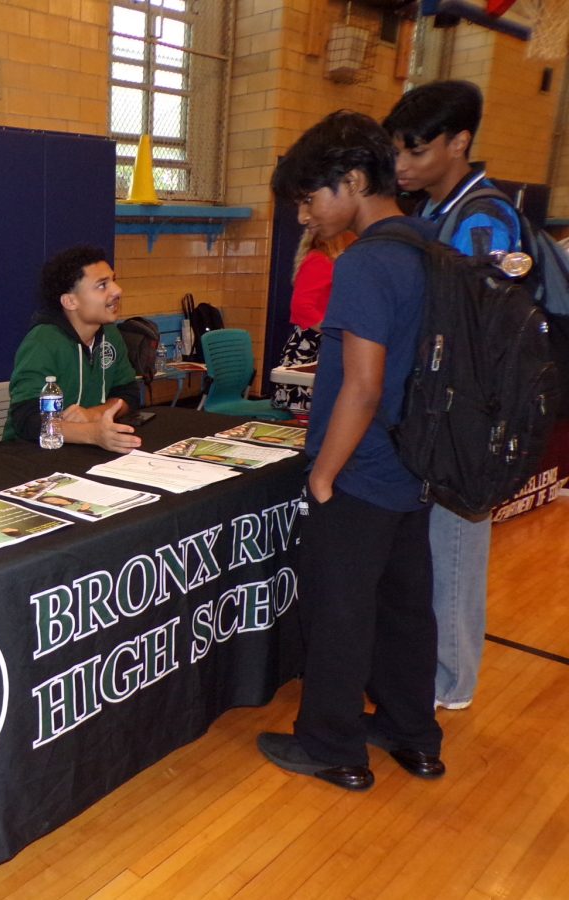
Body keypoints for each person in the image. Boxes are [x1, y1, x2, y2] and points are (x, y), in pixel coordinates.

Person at [257, 110, 444, 792]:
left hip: (363, 470)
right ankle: (412, 733)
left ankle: (332, 745)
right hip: (417, 464)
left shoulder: (366, 262)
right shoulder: (429, 245)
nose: (306, 216)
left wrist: (323, 479)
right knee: (405, 607)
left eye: (310, 199)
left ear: (354, 181)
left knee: (339, 609)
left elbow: (361, 389)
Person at [383, 80, 522, 710]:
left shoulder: (484, 218)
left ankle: (452, 683)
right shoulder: (431, 213)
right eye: (397, 152)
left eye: (416, 150)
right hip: (432, 413)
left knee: (457, 549)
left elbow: (473, 331)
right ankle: (432, 669)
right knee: (432, 552)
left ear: (459, 142)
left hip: (468, 417)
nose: (403, 164)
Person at [3, 245, 143, 452]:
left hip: (83, 451)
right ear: (70, 301)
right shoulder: (42, 342)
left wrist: (94, 414)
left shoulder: (111, 335)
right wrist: (92, 433)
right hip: (30, 454)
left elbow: (128, 393)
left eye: (114, 280)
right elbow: (28, 420)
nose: (117, 290)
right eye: (102, 285)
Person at [272, 230, 356, 413]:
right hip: (309, 344)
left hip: (318, 340)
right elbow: (301, 306)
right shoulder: (318, 260)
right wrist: (333, 331)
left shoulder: (331, 261)